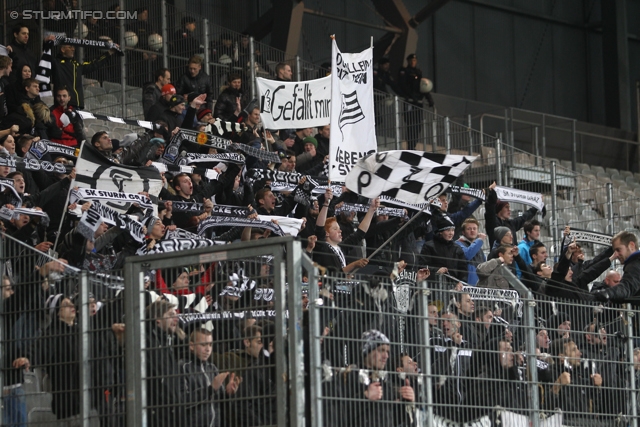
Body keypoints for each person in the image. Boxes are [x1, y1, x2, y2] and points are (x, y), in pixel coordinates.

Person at [181, 328, 239, 427]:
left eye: (210, 345)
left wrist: (228, 393)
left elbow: (221, 402)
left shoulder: (212, 368)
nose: (208, 349)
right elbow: (182, 402)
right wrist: (210, 389)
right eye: (203, 345)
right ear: (191, 345)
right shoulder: (183, 367)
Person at [46, 35, 120, 109]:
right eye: (70, 47)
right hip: (63, 106)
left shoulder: (76, 65)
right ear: (62, 49)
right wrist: (46, 44)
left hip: (78, 105)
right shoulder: (55, 63)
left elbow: (94, 64)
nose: (73, 49)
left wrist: (109, 53)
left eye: (73, 47)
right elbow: (45, 57)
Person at [145, 299, 184, 427]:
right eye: (171, 315)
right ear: (157, 319)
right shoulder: (147, 341)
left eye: (176, 315)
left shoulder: (168, 342)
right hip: (156, 416)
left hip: (171, 414)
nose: (176, 319)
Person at [397, 53, 433, 149]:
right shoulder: (404, 71)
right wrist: (412, 96)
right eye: (412, 60)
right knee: (410, 124)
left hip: (418, 102)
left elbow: (422, 86)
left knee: (418, 125)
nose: (413, 62)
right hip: (410, 101)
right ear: (408, 61)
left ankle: (413, 145)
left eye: (415, 60)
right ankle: (410, 146)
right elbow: (403, 85)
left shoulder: (418, 72)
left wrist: (429, 98)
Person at [594, 230, 640, 302]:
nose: (616, 254)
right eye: (615, 251)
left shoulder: (635, 264)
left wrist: (608, 293)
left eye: (618, 250)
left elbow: (627, 287)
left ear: (631, 246)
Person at [456, 218, 487, 286]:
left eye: (474, 228)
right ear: (463, 232)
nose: (472, 231)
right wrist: (479, 240)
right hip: (466, 285)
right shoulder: (458, 244)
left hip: (479, 286)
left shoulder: (479, 248)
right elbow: (467, 255)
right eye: (469, 229)